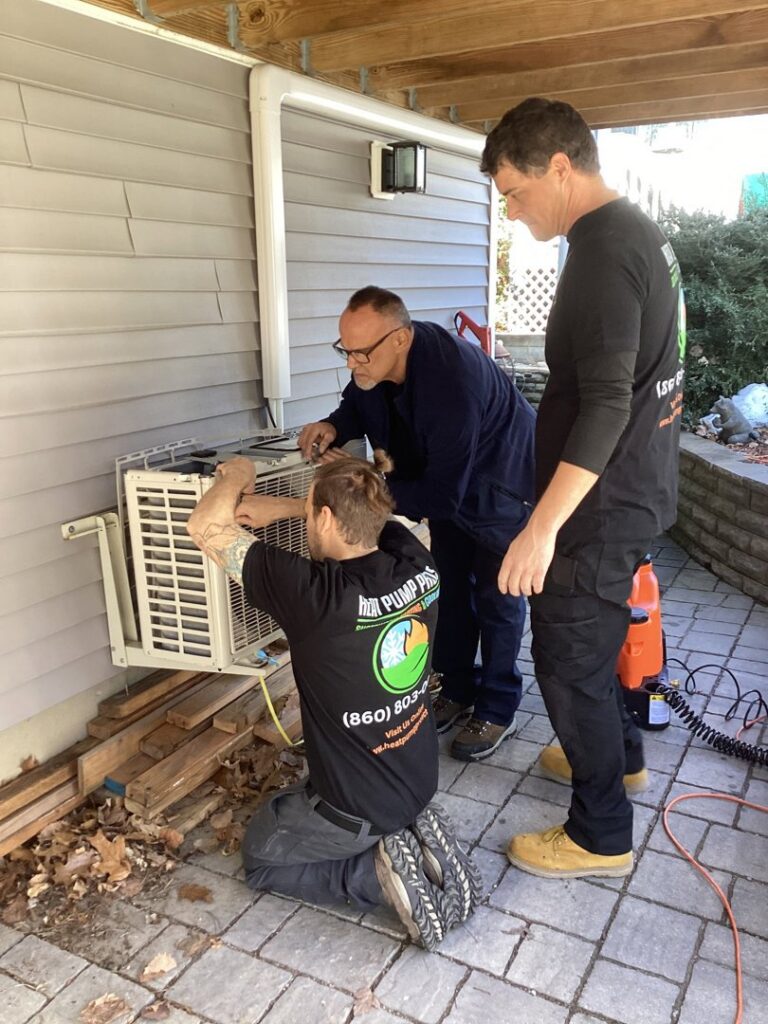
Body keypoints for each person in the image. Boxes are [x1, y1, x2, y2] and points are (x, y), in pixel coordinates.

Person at [481, 98, 685, 878]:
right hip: (633, 488)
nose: (510, 211)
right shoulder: (634, 233)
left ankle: (601, 832)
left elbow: (605, 403)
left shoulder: (602, 254)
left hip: (596, 507)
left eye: (514, 191)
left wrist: (540, 529)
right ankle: (620, 757)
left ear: (559, 167)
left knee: (566, 657)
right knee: (593, 644)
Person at [185, 452, 481, 948]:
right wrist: (283, 507)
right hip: (417, 774)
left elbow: (203, 525)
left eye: (307, 511)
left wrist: (238, 478)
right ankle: (405, 833)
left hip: (354, 807)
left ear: (323, 517)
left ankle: (372, 876)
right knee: (299, 796)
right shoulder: (418, 565)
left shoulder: (313, 595)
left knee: (261, 854)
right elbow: (381, 523)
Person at [299, 287, 536, 761]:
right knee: (448, 587)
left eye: (361, 352)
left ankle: (496, 706)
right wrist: (332, 425)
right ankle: (456, 686)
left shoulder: (452, 383)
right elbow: (357, 403)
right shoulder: (375, 368)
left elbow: (441, 496)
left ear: (400, 339)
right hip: (443, 480)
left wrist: (364, 483)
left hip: (501, 486)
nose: (352, 363)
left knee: (496, 597)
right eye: (344, 350)